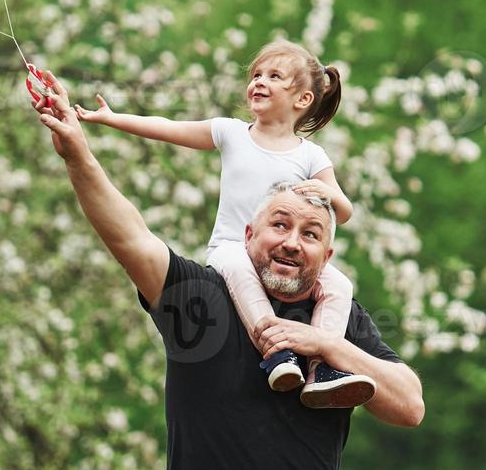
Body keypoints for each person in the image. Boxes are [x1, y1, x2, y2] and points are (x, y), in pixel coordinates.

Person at [32, 70, 424, 470]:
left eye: (310, 234)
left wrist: (327, 346)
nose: (292, 242)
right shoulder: (203, 299)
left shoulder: (340, 318)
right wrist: (78, 152)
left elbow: (409, 405)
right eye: (279, 225)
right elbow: (130, 236)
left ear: (327, 257)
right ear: (248, 236)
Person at [72, 40, 372, 407]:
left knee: (339, 283)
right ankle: (277, 352)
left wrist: (326, 194)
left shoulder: (311, 155)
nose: (259, 82)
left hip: (282, 257)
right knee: (240, 272)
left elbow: (344, 210)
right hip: (233, 247)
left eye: (274, 77)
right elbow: (169, 127)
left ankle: (323, 367)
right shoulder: (231, 132)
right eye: (256, 75)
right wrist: (111, 118)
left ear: (302, 100)